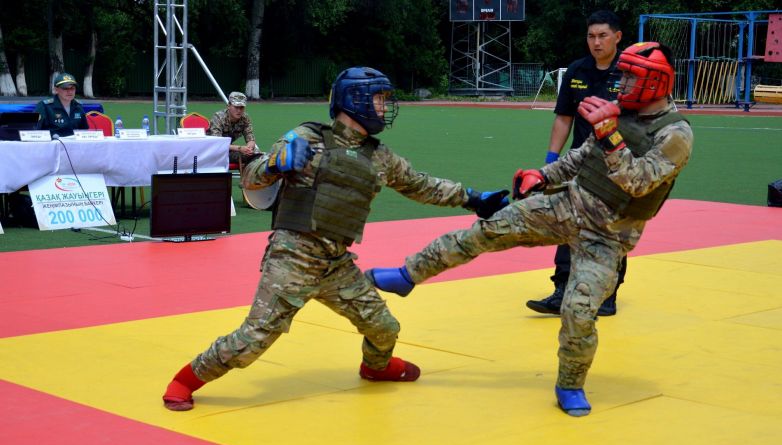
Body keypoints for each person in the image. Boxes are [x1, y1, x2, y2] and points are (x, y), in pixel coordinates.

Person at [366, 42, 693, 417]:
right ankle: (409, 274)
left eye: (630, 76)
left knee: (579, 312)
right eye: (622, 74)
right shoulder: (619, 113)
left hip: (608, 235)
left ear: (655, 81)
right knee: (487, 229)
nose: (621, 83)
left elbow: (639, 182)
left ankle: (570, 384)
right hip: (567, 204)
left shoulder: (676, 134)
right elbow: (581, 157)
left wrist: (609, 135)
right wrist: (544, 175)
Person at [162, 67, 509, 411]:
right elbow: (251, 178)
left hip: (336, 264)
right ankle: (185, 380)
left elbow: (421, 184)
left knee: (384, 327)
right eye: (378, 100)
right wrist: (275, 164)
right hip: (292, 257)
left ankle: (376, 368)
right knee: (251, 341)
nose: (384, 108)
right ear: (354, 101)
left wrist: (474, 198)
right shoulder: (307, 137)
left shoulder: (379, 156)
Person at [528, 10, 625, 318]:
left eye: (602, 36)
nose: (596, 42)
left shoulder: (630, 72)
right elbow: (563, 118)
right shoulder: (576, 71)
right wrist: (550, 163)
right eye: (591, 36)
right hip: (579, 165)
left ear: (617, 37)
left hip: (619, 164)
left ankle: (607, 295)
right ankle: (561, 289)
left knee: (612, 230)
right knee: (567, 223)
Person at [208, 91, 260, 166]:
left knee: (256, 155)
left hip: (229, 149)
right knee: (249, 157)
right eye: (236, 107)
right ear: (228, 106)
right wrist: (239, 148)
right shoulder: (218, 117)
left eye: (241, 107)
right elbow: (218, 143)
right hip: (212, 150)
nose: (239, 111)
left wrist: (249, 148)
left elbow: (250, 137)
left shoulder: (245, 118)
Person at [35, 72, 89, 137]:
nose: (70, 91)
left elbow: (84, 131)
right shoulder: (44, 106)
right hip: (52, 145)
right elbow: (35, 130)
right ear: (56, 90)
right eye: (65, 88)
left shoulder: (78, 106)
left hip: (74, 145)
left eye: (72, 88)